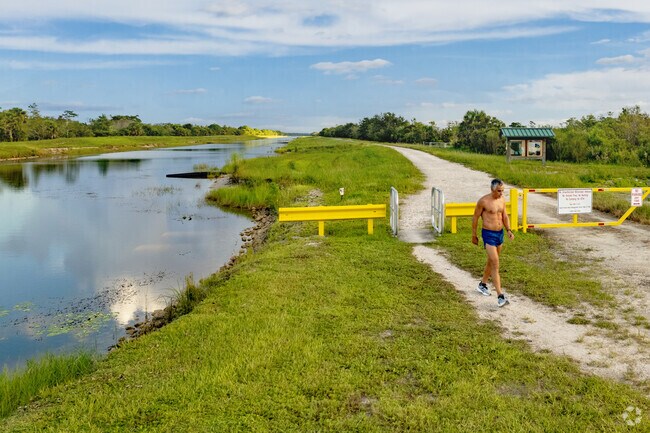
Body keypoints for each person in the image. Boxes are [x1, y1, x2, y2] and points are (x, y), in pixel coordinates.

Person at [471, 179, 515, 307]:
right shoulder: (483, 201)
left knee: (491, 261)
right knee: (495, 263)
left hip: (499, 234)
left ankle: (482, 284)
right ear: (492, 189)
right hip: (488, 234)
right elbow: (475, 218)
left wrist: (509, 230)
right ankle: (500, 296)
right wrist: (474, 235)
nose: (501, 193)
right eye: (499, 191)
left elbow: (505, 216)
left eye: (502, 191)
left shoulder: (502, 200)